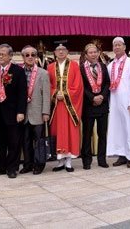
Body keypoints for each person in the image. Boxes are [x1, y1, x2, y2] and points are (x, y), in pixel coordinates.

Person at [0, 44, 27, 179]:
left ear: (10, 56)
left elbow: (23, 93)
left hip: (13, 113)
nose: (1, 56)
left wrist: (21, 112)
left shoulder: (18, 71)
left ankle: (12, 168)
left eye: (3, 54)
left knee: (13, 143)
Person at [48, 43, 83, 172]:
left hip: (70, 106)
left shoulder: (74, 65)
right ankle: (60, 161)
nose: (61, 52)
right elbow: (49, 85)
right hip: (56, 105)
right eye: (58, 50)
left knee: (69, 131)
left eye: (63, 50)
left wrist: (66, 94)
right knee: (57, 131)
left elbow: (78, 85)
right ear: (55, 52)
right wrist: (55, 93)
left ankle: (68, 161)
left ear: (67, 51)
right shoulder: (50, 67)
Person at [19, 45, 51, 175]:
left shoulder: (43, 73)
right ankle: (28, 164)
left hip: (38, 113)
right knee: (25, 141)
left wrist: (46, 112)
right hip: (23, 113)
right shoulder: (19, 72)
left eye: (33, 54)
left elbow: (47, 94)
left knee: (39, 141)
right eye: (27, 55)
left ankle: (39, 164)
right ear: (23, 57)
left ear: (36, 57)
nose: (30, 57)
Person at [106, 37, 130, 168]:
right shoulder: (110, 65)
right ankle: (121, 155)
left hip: (127, 102)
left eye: (119, 45)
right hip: (114, 102)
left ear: (124, 47)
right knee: (118, 128)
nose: (117, 47)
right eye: (115, 45)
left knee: (129, 128)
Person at [79, 43, 110, 169]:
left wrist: (102, 96)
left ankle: (102, 159)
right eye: (90, 52)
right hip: (88, 106)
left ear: (98, 53)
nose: (93, 54)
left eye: (95, 52)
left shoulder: (102, 66)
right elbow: (82, 86)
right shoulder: (81, 68)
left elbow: (107, 83)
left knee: (102, 134)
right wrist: (92, 97)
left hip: (102, 105)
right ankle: (86, 161)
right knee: (87, 134)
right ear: (86, 55)